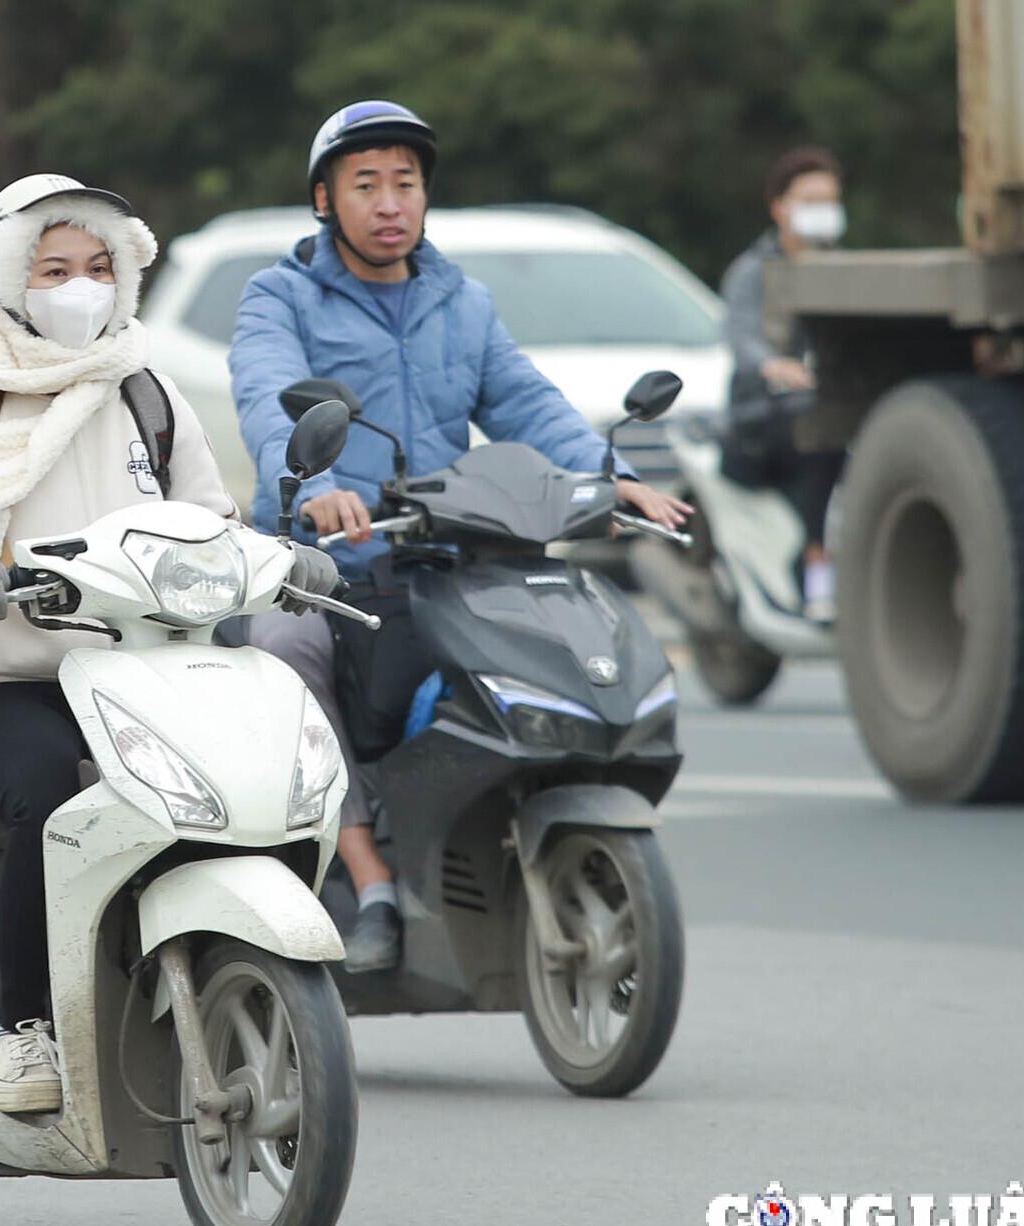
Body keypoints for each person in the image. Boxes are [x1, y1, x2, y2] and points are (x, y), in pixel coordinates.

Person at [0, 174, 337, 1114]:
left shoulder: (146, 393)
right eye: (54, 269)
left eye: (99, 266)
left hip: (149, 676)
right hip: (1, 688)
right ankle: (24, 1030)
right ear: (7, 278)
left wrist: (283, 559)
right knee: (59, 793)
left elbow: (210, 523)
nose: (81, 287)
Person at [230, 101, 691, 973]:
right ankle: (369, 881)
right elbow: (267, 395)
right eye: (366, 185)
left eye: (405, 183)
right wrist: (316, 488)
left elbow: (526, 403)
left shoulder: (461, 301)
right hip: (318, 564)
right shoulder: (278, 298)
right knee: (287, 657)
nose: (390, 203)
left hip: (441, 553)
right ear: (325, 200)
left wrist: (608, 475)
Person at [721, 145, 848, 621]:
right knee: (820, 440)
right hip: (762, 419)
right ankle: (816, 573)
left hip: (828, 406)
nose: (822, 212)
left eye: (829, 202)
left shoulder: (842, 269)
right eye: (810, 201)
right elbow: (742, 339)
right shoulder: (753, 271)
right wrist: (776, 367)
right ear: (779, 207)